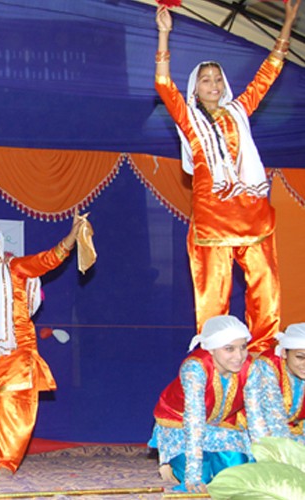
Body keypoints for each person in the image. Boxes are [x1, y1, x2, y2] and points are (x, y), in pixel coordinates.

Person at [154, 1, 301, 353]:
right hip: (212, 222)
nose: (214, 85)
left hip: (253, 216)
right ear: (196, 88)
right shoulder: (189, 119)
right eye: (206, 80)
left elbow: (268, 73)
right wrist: (163, 33)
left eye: (218, 79)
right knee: (212, 299)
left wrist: (287, 26)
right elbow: (162, 84)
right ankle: (213, 359)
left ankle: (265, 354)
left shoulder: (239, 110)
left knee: (265, 290)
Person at [0, 217, 85, 475]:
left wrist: (71, 236)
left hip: (18, 347)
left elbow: (48, 260)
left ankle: (6, 461)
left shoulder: (15, 268)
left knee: (15, 404)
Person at [149, 315, 253, 493]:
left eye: (243, 347)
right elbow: (194, 422)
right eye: (229, 349)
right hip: (181, 425)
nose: (239, 356)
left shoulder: (250, 367)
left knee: (237, 475)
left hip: (222, 425)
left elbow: (257, 416)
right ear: (211, 349)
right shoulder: (195, 369)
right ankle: (172, 463)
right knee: (200, 481)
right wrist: (193, 476)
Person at [245, 323, 305, 445]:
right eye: (300, 357)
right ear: (284, 353)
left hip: (293, 433)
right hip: (256, 431)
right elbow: (273, 418)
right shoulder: (268, 366)